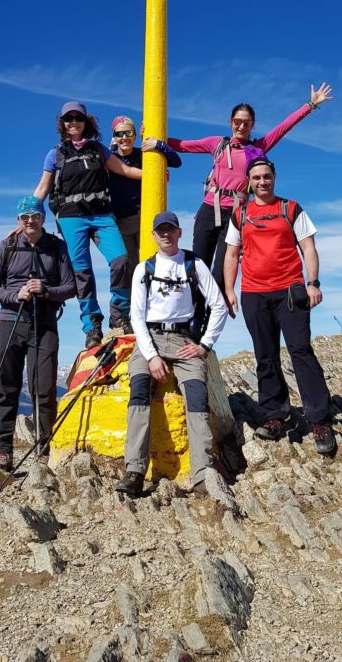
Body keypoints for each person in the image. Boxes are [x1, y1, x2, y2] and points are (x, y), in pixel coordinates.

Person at [166, 84, 333, 324]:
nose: (241, 126)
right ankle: (189, 315)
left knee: (221, 272)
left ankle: (204, 321)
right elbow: (182, 145)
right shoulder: (218, 144)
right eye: (237, 121)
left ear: (252, 125)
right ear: (230, 121)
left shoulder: (258, 148)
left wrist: (310, 105)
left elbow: (284, 127)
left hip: (235, 215)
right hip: (208, 208)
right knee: (197, 264)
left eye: (247, 122)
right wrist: (154, 134)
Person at [223, 157, 335, 455]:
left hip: (289, 291)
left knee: (301, 351)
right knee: (265, 354)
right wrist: (229, 290)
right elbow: (232, 254)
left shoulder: (291, 208)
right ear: (250, 181)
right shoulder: (240, 214)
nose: (262, 182)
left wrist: (313, 283)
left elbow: (308, 247)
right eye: (256, 177)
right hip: (254, 293)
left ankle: (320, 420)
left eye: (267, 176)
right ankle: (275, 415)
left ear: (274, 178)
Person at [115, 211, 228, 498]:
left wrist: (203, 346)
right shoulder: (144, 269)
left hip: (183, 340)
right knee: (139, 392)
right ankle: (135, 471)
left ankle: (203, 473)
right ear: (153, 235)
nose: (165, 234)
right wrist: (151, 356)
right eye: (160, 230)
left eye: (170, 229)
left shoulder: (194, 264)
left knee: (197, 397)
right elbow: (136, 316)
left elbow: (219, 305)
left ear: (179, 233)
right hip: (149, 338)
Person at [34, 102, 143, 349]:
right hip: (71, 217)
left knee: (121, 260)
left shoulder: (99, 149)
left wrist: (154, 173)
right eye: (68, 119)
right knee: (82, 272)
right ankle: (92, 325)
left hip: (102, 215)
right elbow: (42, 188)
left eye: (78, 118)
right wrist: (27, 214)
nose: (74, 122)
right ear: (62, 123)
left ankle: (119, 314)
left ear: (87, 122)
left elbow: (124, 169)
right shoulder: (56, 154)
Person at [0, 195, 76, 471]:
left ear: (43, 218)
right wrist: (16, 295)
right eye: (25, 217)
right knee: (7, 388)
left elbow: (71, 286)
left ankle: (44, 449)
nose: (30, 221)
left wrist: (46, 291)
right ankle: (3, 451)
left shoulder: (57, 248)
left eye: (35, 216)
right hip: (11, 322)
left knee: (44, 389)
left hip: (45, 322)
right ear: (18, 221)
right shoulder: (7, 247)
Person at [108, 115, 182, 274]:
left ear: (135, 135)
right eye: (119, 134)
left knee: (152, 264)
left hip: (144, 217)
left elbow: (176, 162)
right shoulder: (110, 158)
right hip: (121, 221)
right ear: (114, 137)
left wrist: (159, 144)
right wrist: (155, 174)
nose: (124, 138)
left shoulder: (144, 154)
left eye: (128, 133)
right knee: (130, 269)